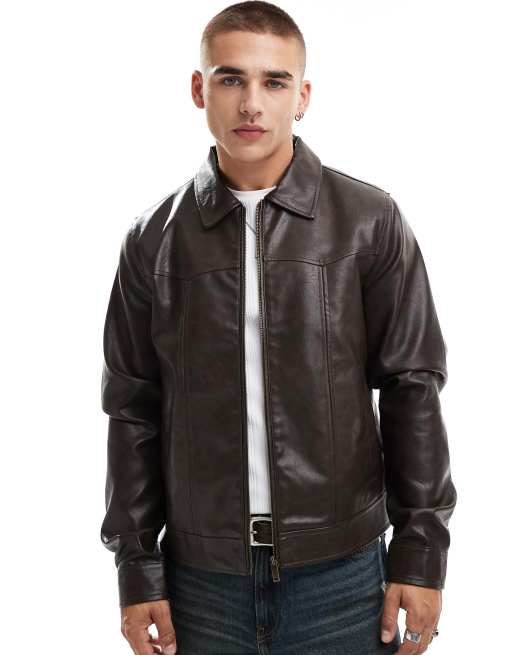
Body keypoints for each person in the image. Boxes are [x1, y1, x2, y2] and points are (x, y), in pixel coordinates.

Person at [99, 2, 457, 653]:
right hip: (199, 585)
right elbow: (132, 409)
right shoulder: (152, 240)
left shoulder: (369, 221)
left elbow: (412, 389)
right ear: (199, 89)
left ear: (303, 95)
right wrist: (136, 568)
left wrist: (421, 553)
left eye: (274, 81)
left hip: (342, 579)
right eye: (231, 79)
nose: (251, 104)